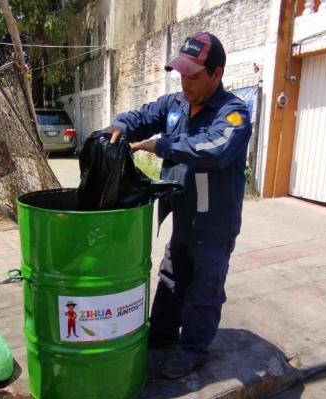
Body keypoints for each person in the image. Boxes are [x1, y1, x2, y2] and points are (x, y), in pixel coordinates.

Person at [106, 32, 252, 379]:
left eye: (194, 76)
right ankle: (161, 337)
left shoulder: (233, 114)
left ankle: (192, 351)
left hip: (214, 225)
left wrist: (160, 146)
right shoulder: (176, 104)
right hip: (184, 218)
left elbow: (213, 149)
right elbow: (144, 115)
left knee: (204, 290)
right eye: (182, 75)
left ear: (216, 74)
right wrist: (120, 125)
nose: (185, 83)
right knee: (171, 280)